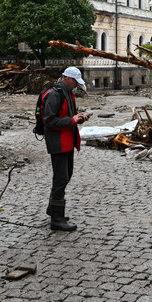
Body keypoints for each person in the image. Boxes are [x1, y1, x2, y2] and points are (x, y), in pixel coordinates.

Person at [41, 66, 90, 231]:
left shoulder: (67, 92)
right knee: (61, 178)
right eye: (75, 82)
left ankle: (53, 209)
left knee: (66, 175)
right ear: (67, 78)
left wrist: (78, 119)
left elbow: (67, 117)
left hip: (67, 141)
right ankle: (56, 219)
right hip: (58, 142)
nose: (76, 85)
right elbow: (49, 121)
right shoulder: (55, 94)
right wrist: (72, 120)